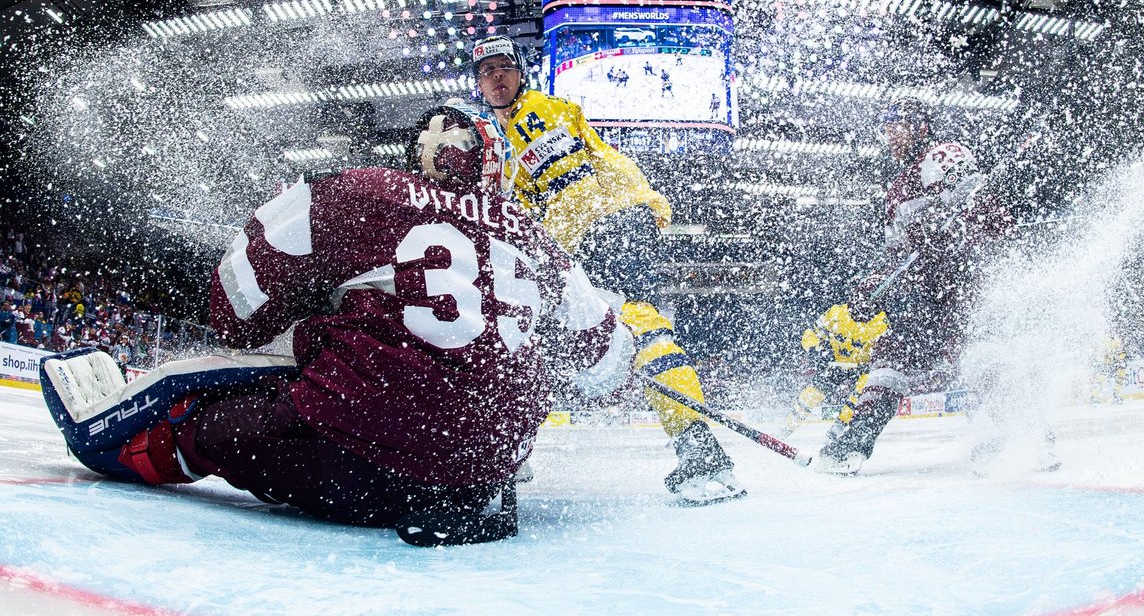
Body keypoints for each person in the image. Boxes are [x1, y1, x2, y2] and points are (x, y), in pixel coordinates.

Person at [40, 104, 634, 546]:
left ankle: (117, 441)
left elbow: (236, 292)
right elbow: (609, 363)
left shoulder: (365, 190)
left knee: (210, 427)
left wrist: (293, 314)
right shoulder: (537, 236)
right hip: (483, 481)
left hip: (362, 463)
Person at [470, 35, 744, 504]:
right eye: (485, 72)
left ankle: (509, 450)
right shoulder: (522, 123)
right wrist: (645, 200)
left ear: (519, 73)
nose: (496, 79)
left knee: (539, 334)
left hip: (596, 230)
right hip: (595, 231)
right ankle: (699, 448)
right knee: (614, 328)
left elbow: (570, 179)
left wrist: (637, 205)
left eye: (503, 69)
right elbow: (602, 158)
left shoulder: (534, 116)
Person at [812, 97, 1015, 475]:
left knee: (977, 350)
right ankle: (851, 446)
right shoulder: (895, 192)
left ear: (921, 127)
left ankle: (1023, 434)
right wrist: (874, 286)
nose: (889, 137)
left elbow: (987, 208)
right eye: (885, 130)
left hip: (967, 279)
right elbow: (897, 257)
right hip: (926, 291)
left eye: (896, 127)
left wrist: (953, 229)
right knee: (891, 358)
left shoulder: (942, 156)